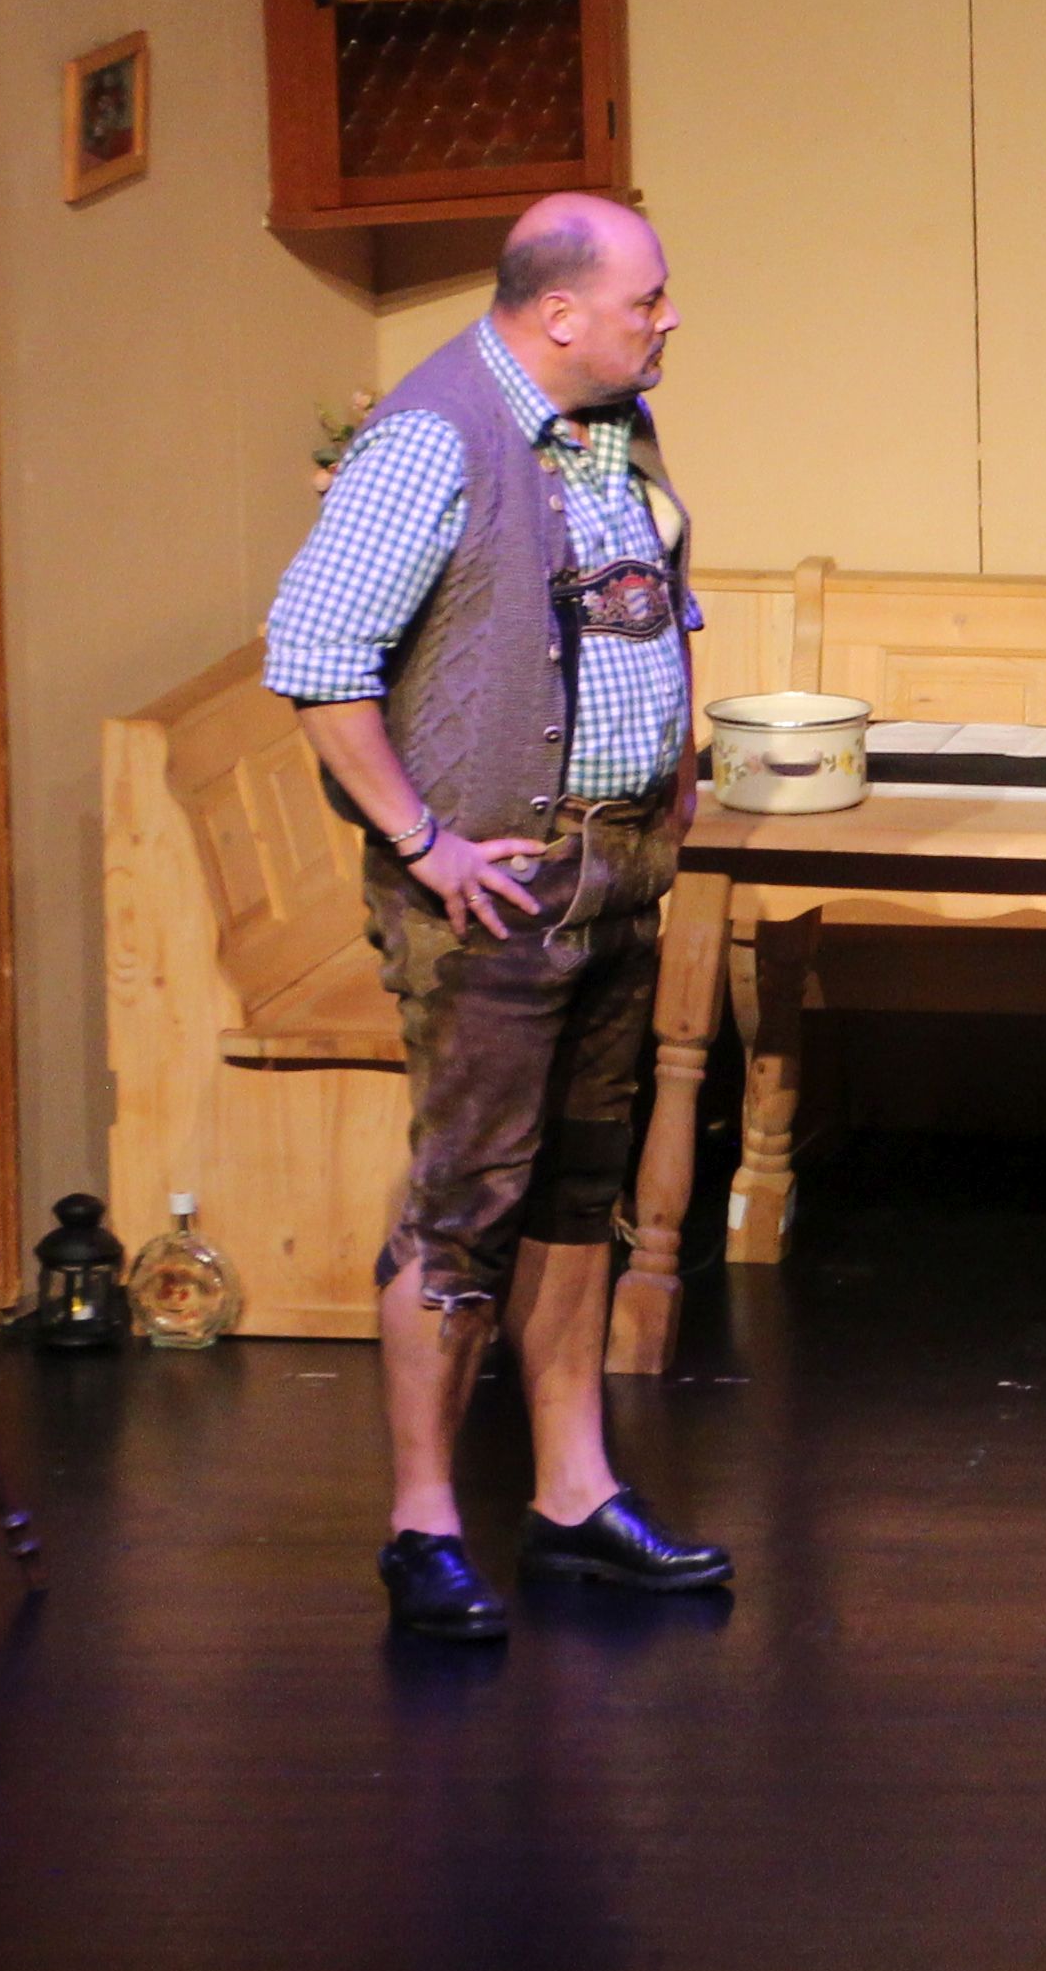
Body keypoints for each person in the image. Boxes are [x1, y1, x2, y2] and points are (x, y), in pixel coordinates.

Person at [267, 193, 736, 1640]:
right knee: (463, 1209)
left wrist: (675, 766)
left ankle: (573, 1494)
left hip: (616, 871)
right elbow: (317, 656)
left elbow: (645, 601)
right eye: (647, 299)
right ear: (560, 313)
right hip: (495, 893)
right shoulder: (434, 438)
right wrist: (420, 840)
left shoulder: (608, 422)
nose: (668, 319)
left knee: (582, 1192)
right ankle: (422, 1526)